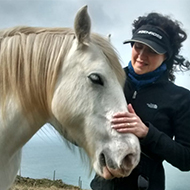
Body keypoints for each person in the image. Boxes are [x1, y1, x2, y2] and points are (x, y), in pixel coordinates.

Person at [90, 12, 190, 190]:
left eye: (152, 50)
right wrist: (100, 160)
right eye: (138, 46)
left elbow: (186, 159)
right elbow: (80, 126)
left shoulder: (181, 98)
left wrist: (146, 132)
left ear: (166, 55)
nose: (142, 55)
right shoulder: (108, 81)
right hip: (103, 185)